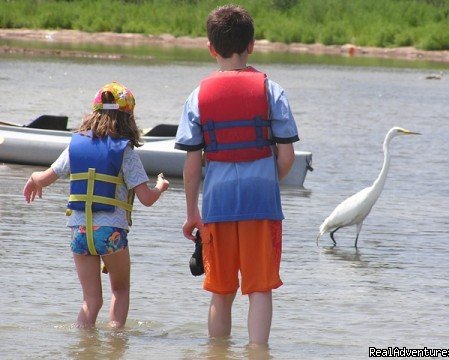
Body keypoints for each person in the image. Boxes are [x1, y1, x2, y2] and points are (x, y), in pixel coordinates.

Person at [175, 5, 299, 344]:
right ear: (252, 45)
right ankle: (258, 351)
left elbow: (191, 164)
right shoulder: (272, 91)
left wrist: (191, 214)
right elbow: (286, 156)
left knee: (221, 291)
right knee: (259, 289)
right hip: (262, 203)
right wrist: (266, 181)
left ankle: (217, 352)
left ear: (211, 48)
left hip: (218, 203)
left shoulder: (197, 96)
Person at [23, 82, 169, 329]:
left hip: (79, 232)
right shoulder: (126, 152)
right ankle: (114, 345)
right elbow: (147, 198)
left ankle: (83, 345)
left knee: (91, 300)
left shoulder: (75, 145)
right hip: (110, 233)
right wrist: (161, 187)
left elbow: (45, 177)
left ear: (93, 113)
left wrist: (34, 180)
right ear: (128, 118)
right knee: (120, 290)